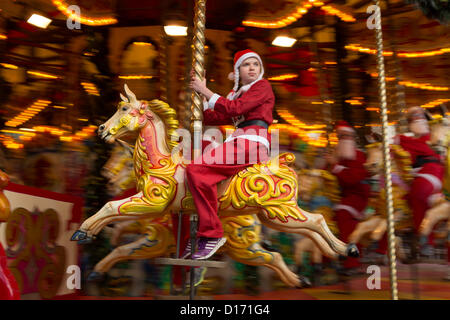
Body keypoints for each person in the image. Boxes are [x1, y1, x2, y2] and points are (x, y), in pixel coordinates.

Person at [184, 49, 274, 260]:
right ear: (237, 71)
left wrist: (205, 90)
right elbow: (211, 117)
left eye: (256, 64)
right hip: (240, 140)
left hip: (252, 141)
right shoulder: (238, 93)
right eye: (246, 64)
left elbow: (235, 109)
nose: (252, 68)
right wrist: (200, 91)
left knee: (196, 169)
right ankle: (206, 232)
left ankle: (211, 234)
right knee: (198, 172)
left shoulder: (262, 87)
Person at [394, 106, 445, 253]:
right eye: (414, 119)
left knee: (418, 192)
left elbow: (428, 149)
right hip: (419, 174)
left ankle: (424, 237)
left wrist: (401, 140)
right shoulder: (409, 142)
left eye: (421, 118)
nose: (419, 121)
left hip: (433, 172)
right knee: (404, 198)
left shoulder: (432, 137)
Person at [326, 121, 370, 274]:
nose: (342, 139)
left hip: (357, 196)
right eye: (340, 136)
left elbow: (352, 179)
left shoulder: (358, 156)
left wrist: (335, 166)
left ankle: (352, 262)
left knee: (343, 216)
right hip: (342, 196)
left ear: (352, 138)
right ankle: (329, 259)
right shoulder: (337, 155)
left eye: (346, 136)